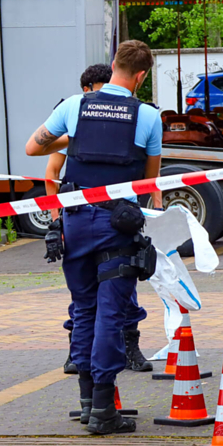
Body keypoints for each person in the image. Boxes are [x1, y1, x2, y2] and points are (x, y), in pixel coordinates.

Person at [26, 41, 163, 435]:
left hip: (74, 222)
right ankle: (104, 409)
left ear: (114, 66)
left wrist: (75, 138)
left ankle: (86, 404)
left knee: (83, 308)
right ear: (140, 76)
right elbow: (149, 180)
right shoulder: (148, 116)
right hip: (116, 225)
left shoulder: (73, 106)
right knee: (111, 314)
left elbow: (33, 147)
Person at [48, 64, 153, 375]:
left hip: (114, 217)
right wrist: (55, 221)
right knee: (84, 301)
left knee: (120, 296)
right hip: (80, 215)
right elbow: (51, 172)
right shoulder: (75, 121)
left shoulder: (127, 118)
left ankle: (128, 347)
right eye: (92, 91)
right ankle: (80, 360)